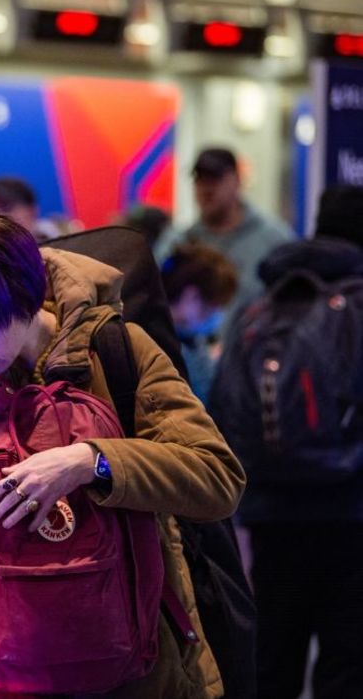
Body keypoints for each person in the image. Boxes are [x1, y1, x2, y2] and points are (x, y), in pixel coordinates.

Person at [0, 208, 245, 698]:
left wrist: (90, 461)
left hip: (136, 670)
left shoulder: (117, 352)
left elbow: (218, 477)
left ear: (21, 298)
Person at [219, 185, 363, 699]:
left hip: (270, 515)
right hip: (351, 512)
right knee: (345, 667)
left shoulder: (264, 302)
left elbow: (224, 407)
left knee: (273, 661)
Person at [157, 147, 292, 325]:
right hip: (191, 351)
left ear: (236, 180)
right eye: (199, 180)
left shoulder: (274, 240)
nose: (206, 188)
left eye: (215, 179)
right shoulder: (179, 244)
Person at [160, 243, 238, 403]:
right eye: (214, 307)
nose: (218, 315)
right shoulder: (160, 349)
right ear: (192, 297)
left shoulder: (191, 340)